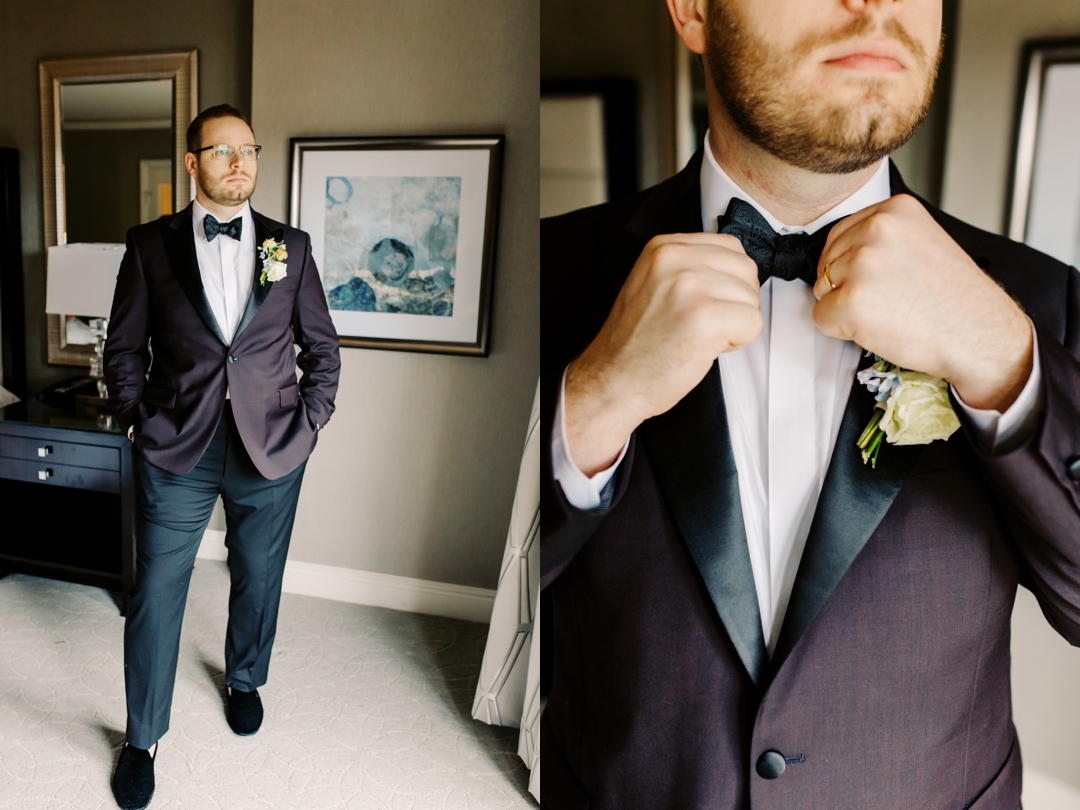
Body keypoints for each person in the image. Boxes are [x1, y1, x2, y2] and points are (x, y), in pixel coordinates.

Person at [541, 0, 1080, 806]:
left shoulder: (1046, 301)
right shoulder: (552, 273)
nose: (875, 4)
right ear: (693, 11)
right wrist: (589, 403)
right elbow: (470, 605)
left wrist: (1005, 365)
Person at [103, 104, 340, 810]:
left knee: (259, 577)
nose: (238, 162)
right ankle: (142, 737)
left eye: (248, 150)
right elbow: (122, 348)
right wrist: (137, 420)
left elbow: (321, 349)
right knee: (155, 595)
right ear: (192, 163)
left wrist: (311, 422)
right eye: (221, 151)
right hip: (177, 446)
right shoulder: (149, 245)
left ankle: (244, 678)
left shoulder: (290, 247)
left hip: (271, 448)